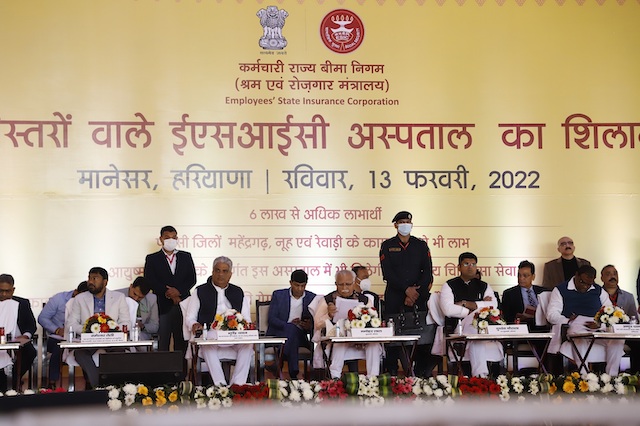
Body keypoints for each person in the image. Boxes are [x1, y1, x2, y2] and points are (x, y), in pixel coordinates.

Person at [379, 210, 433, 376]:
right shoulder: (387, 245)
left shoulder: (420, 245)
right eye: (401, 222)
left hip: (418, 298)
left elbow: (427, 272)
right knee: (394, 338)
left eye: (407, 222)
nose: (405, 225)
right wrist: (406, 290)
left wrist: (415, 293)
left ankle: (421, 374)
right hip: (395, 298)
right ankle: (392, 373)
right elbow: (388, 273)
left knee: (421, 337)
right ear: (396, 225)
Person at [546, 265, 625, 376]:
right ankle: (584, 375)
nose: (585, 286)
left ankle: (612, 376)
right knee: (580, 336)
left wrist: (600, 324)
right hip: (575, 325)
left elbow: (609, 311)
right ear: (576, 275)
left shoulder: (598, 290)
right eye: (582, 282)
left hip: (598, 328)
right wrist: (568, 320)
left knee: (617, 340)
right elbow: (551, 315)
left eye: (589, 284)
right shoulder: (561, 289)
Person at [185, 256, 252, 385]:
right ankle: (220, 386)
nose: (220, 274)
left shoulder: (238, 291)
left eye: (224, 271)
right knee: (207, 344)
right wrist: (194, 324)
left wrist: (247, 326)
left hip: (234, 334)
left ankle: (238, 385)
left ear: (230, 274)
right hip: (211, 333)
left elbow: (246, 318)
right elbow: (190, 317)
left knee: (248, 345)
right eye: (217, 270)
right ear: (212, 272)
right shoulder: (200, 291)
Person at [439, 252, 503, 378]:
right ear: (459, 267)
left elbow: (493, 306)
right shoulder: (449, 285)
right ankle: (481, 377)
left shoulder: (484, 286)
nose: (470, 267)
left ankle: (480, 376)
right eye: (466, 264)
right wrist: (475, 310)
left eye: (473, 264)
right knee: (475, 332)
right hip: (459, 328)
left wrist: (465, 303)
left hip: (482, 330)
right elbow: (448, 309)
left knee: (476, 338)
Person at [67, 267, 131, 388]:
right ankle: (100, 387)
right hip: (88, 341)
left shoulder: (119, 297)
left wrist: (112, 330)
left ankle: (113, 387)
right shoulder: (80, 298)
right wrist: (87, 330)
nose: (90, 282)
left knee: (119, 352)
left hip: (112, 339)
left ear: (105, 282)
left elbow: (126, 322)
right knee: (80, 354)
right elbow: (71, 323)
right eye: (89, 278)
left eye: (95, 278)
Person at [313, 269, 383, 379]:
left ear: (354, 283)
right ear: (336, 284)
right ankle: (335, 378)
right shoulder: (327, 300)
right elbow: (317, 323)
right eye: (341, 284)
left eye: (348, 284)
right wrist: (329, 315)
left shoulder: (364, 300)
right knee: (341, 340)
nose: (344, 287)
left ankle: (373, 379)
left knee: (373, 344)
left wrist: (361, 336)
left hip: (360, 338)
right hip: (338, 337)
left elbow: (372, 318)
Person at [144, 225, 196, 352]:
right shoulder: (152, 258)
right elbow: (150, 280)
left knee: (182, 341)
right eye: (167, 237)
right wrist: (168, 293)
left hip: (183, 303)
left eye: (174, 237)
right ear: (161, 239)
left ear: (177, 239)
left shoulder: (186, 256)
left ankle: (182, 365)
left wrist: (178, 292)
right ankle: (163, 366)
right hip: (162, 305)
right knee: (163, 341)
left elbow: (192, 279)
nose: (171, 240)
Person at [266, 269, 316, 379]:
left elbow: (316, 321)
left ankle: (278, 364)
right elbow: (272, 319)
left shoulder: (312, 297)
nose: (300, 289)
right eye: (297, 285)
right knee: (292, 330)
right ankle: (294, 373)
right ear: (291, 283)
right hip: (280, 334)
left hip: (301, 335)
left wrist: (309, 326)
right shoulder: (278, 295)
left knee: (293, 332)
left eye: (303, 286)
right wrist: (288, 325)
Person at [37, 281, 88, 387]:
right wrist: (56, 330)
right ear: (75, 292)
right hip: (57, 337)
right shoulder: (59, 299)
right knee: (59, 348)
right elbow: (42, 318)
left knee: (88, 350)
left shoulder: (90, 302)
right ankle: (52, 383)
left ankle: (90, 382)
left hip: (80, 338)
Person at [0, 274, 37, 392]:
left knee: (30, 352)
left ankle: (14, 381)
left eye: (7, 291)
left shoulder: (22, 303)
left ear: (13, 290)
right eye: (1, 291)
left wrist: (26, 336)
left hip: (18, 340)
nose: (3, 294)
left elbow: (31, 325)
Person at [601, 265, 639, 373]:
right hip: (603, 334)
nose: (612, 276)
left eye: (615, 274)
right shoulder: (596, 295)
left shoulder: (628, 296)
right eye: (608, 274)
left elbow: (634, 319)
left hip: (623, 334)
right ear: (602, 278)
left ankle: (635, 376)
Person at [501, 261, 549, 326]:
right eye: (519, 275)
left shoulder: (544, 291)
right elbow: (506, 317)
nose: (521, 278)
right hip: (522, 327)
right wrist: (516, 318)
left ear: (533, 277)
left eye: (525, 276)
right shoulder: (509, 294)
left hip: (543, 327)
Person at [115, 276, 159, 341]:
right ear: (131, 286)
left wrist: (142, 326)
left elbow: (155, 326)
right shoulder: (117, 295)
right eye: (134, 294)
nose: (136, 298)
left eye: (140, 297)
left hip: (141, 334)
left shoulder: (151, 299)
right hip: (120, 333)